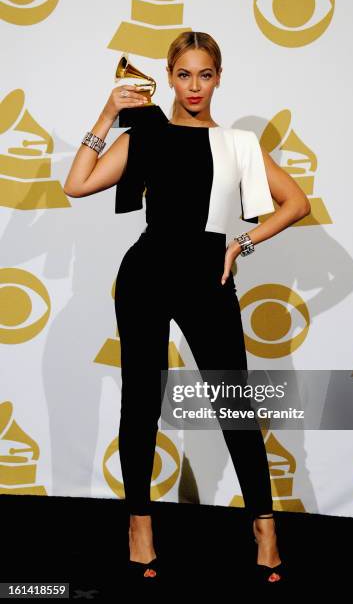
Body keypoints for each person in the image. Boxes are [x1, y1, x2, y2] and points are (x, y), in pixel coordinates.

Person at [64, 31, 310, 585]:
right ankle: (140, 527)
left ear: (218, 76)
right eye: (183, 75)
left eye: (204, 74)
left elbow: (297, 203)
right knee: (142, 401)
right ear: (169, 77)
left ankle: (265, 528)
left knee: (234, 404)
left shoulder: (238, 143)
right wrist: (108, 112)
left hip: (207, 275)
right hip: (146, 274)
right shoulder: (146, 132)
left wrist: (241, 244)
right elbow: (76, 184)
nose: (193, 86)